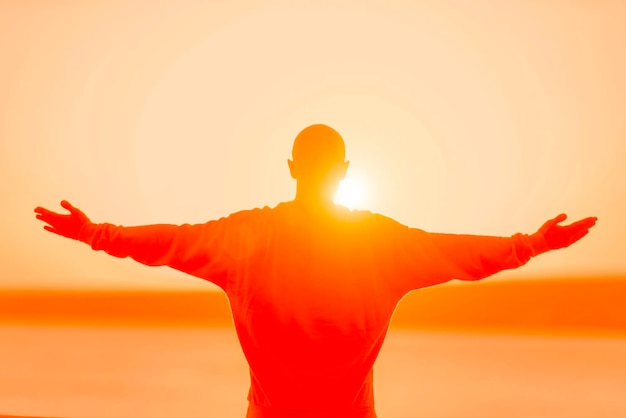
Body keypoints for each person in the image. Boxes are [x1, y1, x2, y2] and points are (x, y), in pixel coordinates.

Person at [34, 124, 597, 418]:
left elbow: (168, 243)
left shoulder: (243, 239)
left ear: (291, 168)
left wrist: (95, 234)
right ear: (346, 170)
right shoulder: (379, 246)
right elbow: (462, 254)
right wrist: (533, 245)